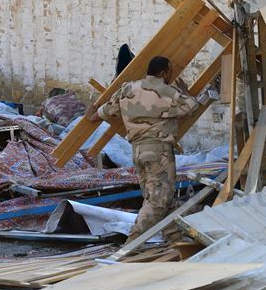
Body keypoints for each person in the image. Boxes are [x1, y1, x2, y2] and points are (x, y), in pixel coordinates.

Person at [87, 56, 211, 245]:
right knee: (158, 200)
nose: (171, 75)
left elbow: (106, 111)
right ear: (162, 73)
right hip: (159, 151)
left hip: (137, 152)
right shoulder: (167, 92)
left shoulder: (128, 88)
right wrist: (186, 92)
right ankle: (133, 242)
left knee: (161, 197)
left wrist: (91, 115)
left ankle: (175, 240)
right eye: (169, 72)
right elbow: (191, 108)